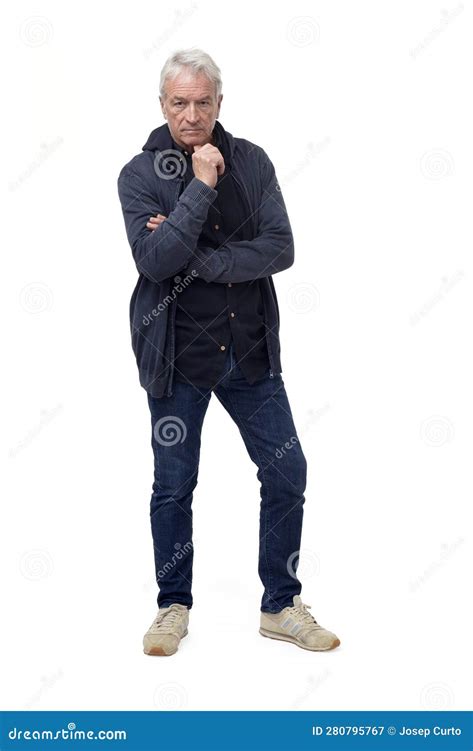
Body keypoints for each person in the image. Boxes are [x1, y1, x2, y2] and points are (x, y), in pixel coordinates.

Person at [117, 48, 340, 656]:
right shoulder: (139, 175)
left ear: (220, 102)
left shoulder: (255, 162)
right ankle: (172, 605)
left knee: (287, 471)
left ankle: (280, 604)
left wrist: (198, 257)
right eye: (179, 103)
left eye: (203, 102)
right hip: (175, 355)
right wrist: (201, 187)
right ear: (162, 104)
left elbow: (281, 248)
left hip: (249, 353)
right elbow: (154, 262)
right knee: (174, 484)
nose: (191, 115)